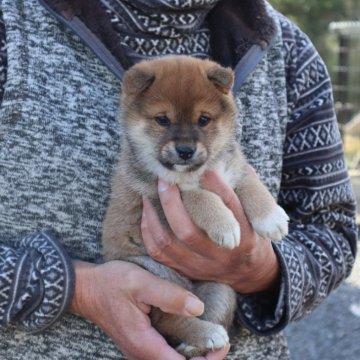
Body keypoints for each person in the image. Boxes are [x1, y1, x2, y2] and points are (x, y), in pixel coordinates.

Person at [0, 0, 357, 359]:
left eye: (204, 121)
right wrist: (73, 290)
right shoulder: (10, 26)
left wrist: (259, 268)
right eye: (162, 121)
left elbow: (334, 233)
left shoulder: (289, 50)